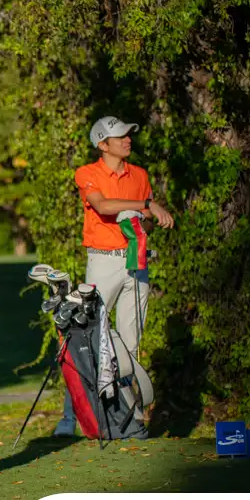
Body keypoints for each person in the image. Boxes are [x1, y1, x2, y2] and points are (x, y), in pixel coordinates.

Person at [53, 116, 174, 436]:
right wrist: (145, 205)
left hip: (136, 261)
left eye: (128, 134)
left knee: (129, 343)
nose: (127, 139)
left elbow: (146, 220)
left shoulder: (139, 175)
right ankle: (71, 417)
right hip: (103, 262)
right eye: (120, 136)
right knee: (86, 337)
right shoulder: (87, 173)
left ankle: (126, 418)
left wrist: (145, 220)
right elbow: (103, 205)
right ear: (102, 144)